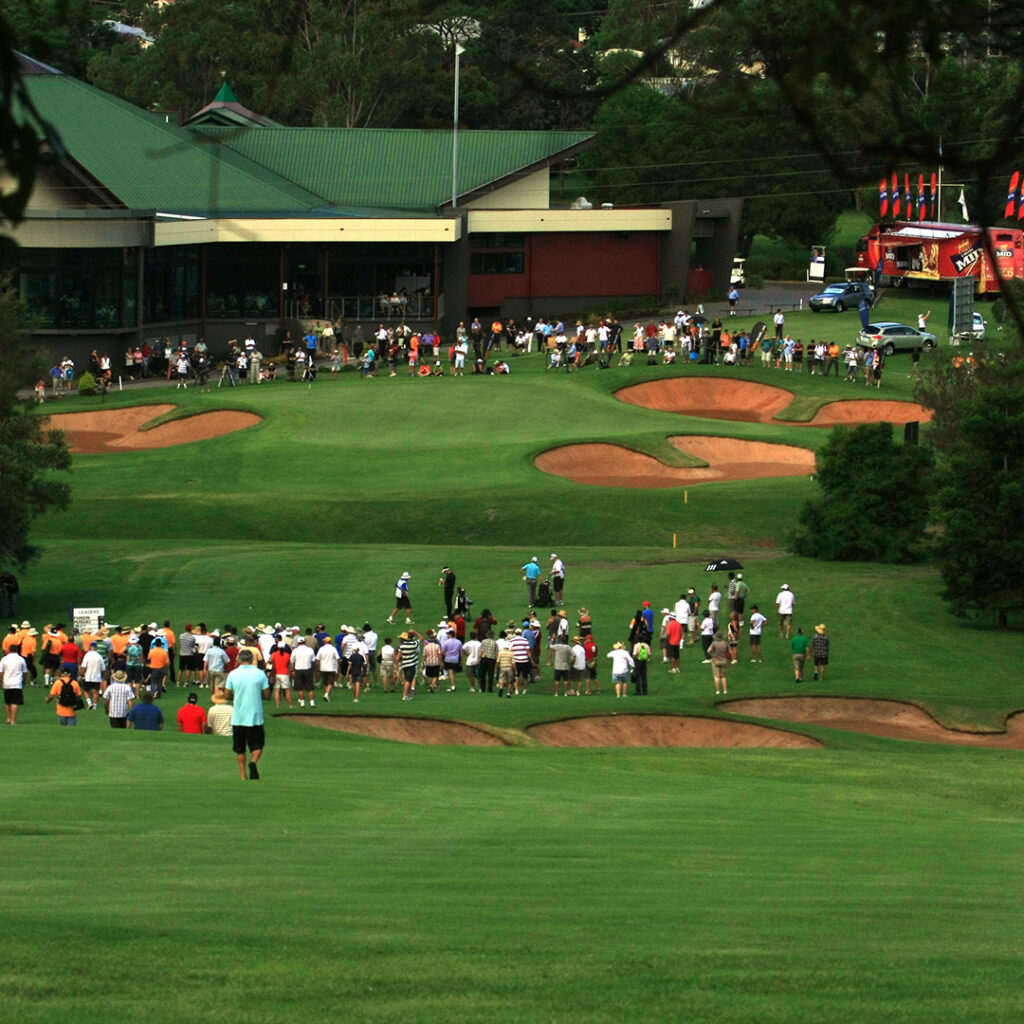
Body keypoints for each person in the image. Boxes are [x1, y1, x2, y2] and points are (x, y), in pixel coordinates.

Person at [226, 649, 270, 780]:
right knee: (258, 744)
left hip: (238, 716)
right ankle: (253, 762)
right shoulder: (260, 674)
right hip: (255, 716)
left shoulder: (233, 674)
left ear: (239, 660)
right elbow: (267, 694)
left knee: (240, 748)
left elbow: (227, 694)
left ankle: (243, 775)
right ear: (252, 660)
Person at [1, 645, 27, 724]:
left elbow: (1, 672)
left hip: (7, 683)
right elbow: (25, 672)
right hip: (17, 683)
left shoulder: (4, 659)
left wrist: (1, 682)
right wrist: (24, 681)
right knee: (14, 702)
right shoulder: (20, 659)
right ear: (17, 650)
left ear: (9, 649)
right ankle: (13, 720)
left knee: (7, 702)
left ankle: (8, 718)